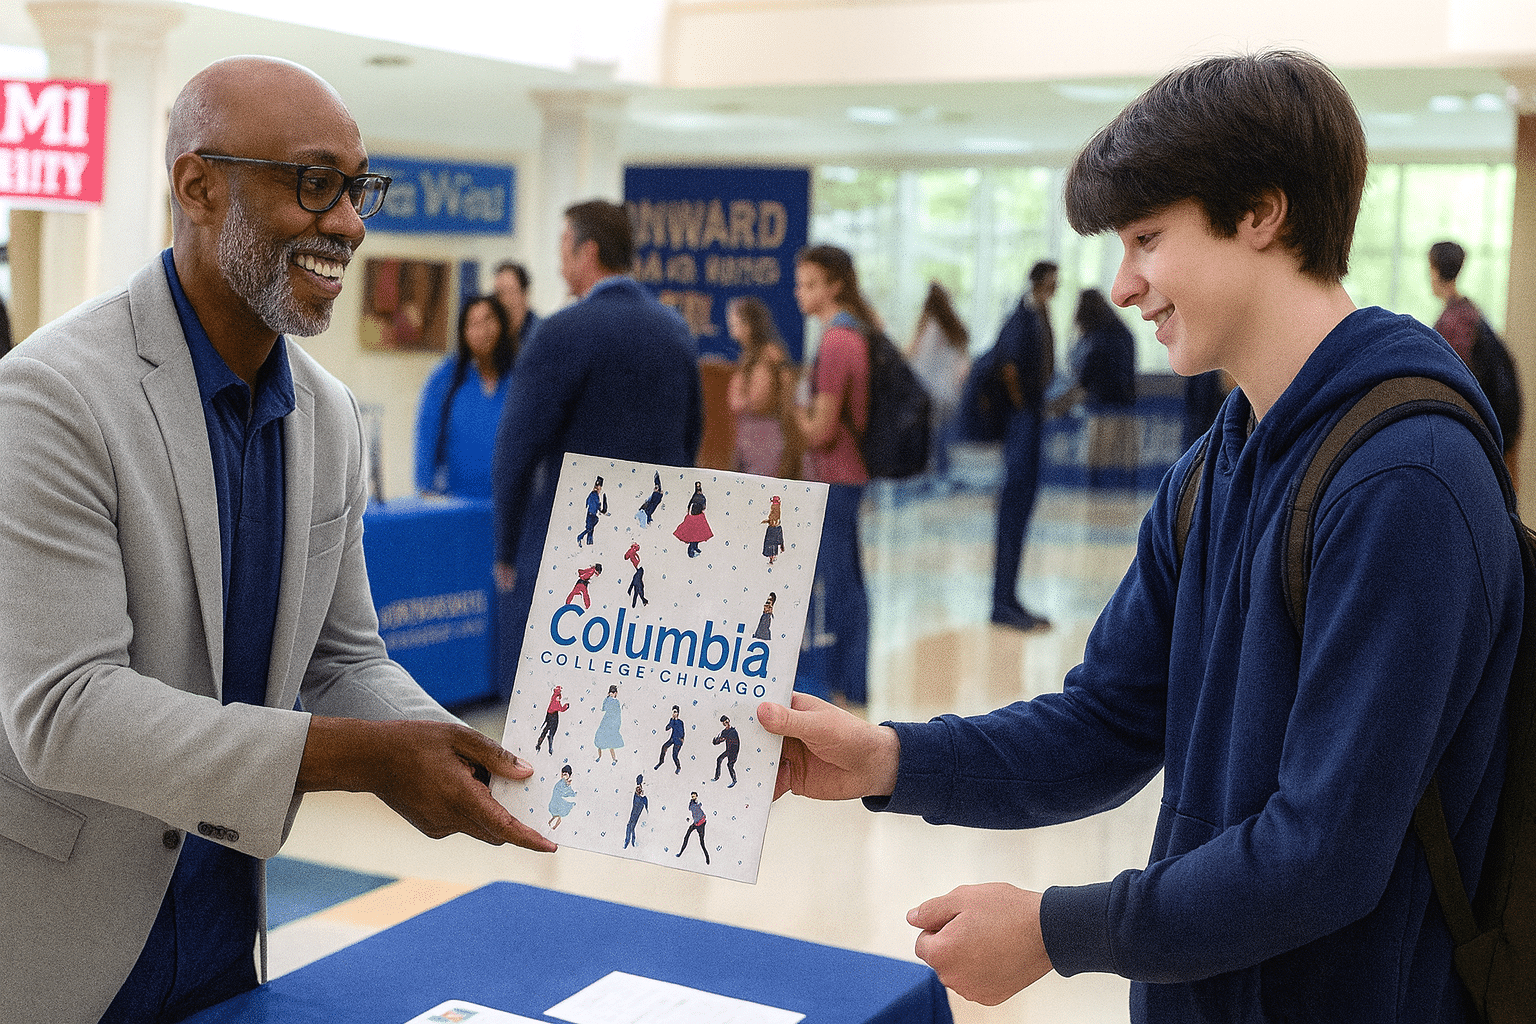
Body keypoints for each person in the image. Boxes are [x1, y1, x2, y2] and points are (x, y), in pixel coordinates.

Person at [759, 50, 1518, 1024]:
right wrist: (888, 758)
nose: (1123, 286)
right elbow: (1108, 721)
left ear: (1260, 213)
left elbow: (1323, 854)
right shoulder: (1220, 463)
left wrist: (1055, 929)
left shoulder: (1404, 481)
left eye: (1148, 239)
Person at [0, 56, 555, 1024]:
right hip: (55, 937)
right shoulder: (49, 398)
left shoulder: (329, 416)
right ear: (199, 187)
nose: (348, 221)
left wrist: (493, 761)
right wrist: (360, 758)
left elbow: (343, 656)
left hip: (224, 920)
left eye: (356, 187)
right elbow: (66, 711)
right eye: (312, 182)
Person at [492, 200, 704, 701]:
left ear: (587, 252)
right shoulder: (675, 331)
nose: (559, 258)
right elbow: (690, 436)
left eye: (563, 246)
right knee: (626, 694)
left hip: (571, 545)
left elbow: (515, 451)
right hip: (647, 548)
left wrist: (505, 548)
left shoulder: (563, 331)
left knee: (551, 694)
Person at [792, 243, 873, 707]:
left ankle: (828, 682)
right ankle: (851, 680)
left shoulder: (837, 341)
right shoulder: (850, 334)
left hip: (835, 479)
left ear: (835, 285)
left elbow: (821, 429)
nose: (800, 293)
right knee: (847, 581)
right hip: (846, 477)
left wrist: (793, 414)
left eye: (810, 284)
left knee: (831, 584)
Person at [989, 260, 1057, 631]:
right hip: (1023, 421)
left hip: (1031, 417)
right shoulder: (1022, 316)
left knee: (1021, 509)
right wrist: (1021, 406)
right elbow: (1009, 367)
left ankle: (1009, 596)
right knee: (1013, 508)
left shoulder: (1038, 314)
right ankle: (1002, 602)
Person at [1430, 239, 1522, 488]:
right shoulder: (1469, 311)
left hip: (1472, 431)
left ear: (1435, 270)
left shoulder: (1454, 322)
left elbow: (1452, 381)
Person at [412, 295, 515, 498]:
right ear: (463, 332)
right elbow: (426, 433)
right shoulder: (446, 377)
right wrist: (425, 488)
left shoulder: (519, 379)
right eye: (473, 324)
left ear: (501, 325)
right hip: (454, 500)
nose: (482, 330)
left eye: (488, 320)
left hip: (506, 502)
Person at [1065, 287, 1138, 485]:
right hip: (1125, 407)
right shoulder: (1123, 332)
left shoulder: (1095, 338)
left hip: (1099, 409)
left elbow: (1084, 376)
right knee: (1122, 474)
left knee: (1097, 471)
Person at [906, 281, 971, 487]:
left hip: (930, 392)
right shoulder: (952, 327)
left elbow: (916, 360)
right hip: (948, 393)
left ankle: (929, 475)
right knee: (942, 436)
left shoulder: (930, 327)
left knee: (929, 437)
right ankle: (942, 474)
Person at [725, 295, 793, 477]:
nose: (730, 324)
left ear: (748, 324)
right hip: (750, 435)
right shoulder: (750, 355)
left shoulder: (768, 354)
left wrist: (739, 401)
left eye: (735, 320)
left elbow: (759, 400)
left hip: (764, 436)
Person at [492, 259, 538, 361]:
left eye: (511, 292)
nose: (505, 300)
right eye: (499, 293)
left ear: (525, 294)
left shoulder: (541, 335)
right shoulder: (493, 337)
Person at [677, 792, 710, 865]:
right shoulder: (691, 803)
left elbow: (699, 808)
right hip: (695, 823)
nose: (693, 797)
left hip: (701, 824)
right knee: (686, 837)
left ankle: (707, 858)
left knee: (702, 843)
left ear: (697, 796)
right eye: (692, 796)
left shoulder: (698, 804)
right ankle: (680, 852)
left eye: (694, 796)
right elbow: (690, 809)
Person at [655, 705, 685, 774]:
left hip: (678, 740)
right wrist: (672, 721)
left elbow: (682, 732)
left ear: (678, 713)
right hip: (672, 739)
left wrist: (681, 740)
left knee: (674, 756)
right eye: (673, 712)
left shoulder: (680, 722)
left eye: (675, 712)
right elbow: (667, 728)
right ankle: (661, 762)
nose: (674, 713)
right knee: (664, 747)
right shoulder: (672, 720)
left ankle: (678, 767)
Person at [712, 715, 741, 786]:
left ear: (728, 721)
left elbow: (736, 743)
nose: (725, 723)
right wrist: (716, 740)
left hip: (734, 751)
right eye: (724, 722)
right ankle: (717, 777)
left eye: (726, 721)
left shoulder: (733, 731)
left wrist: (734, 753)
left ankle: (734, 780)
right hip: (728, 750)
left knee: (730, 765)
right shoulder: (724, 732)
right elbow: (719, 740)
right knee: (719, 759)